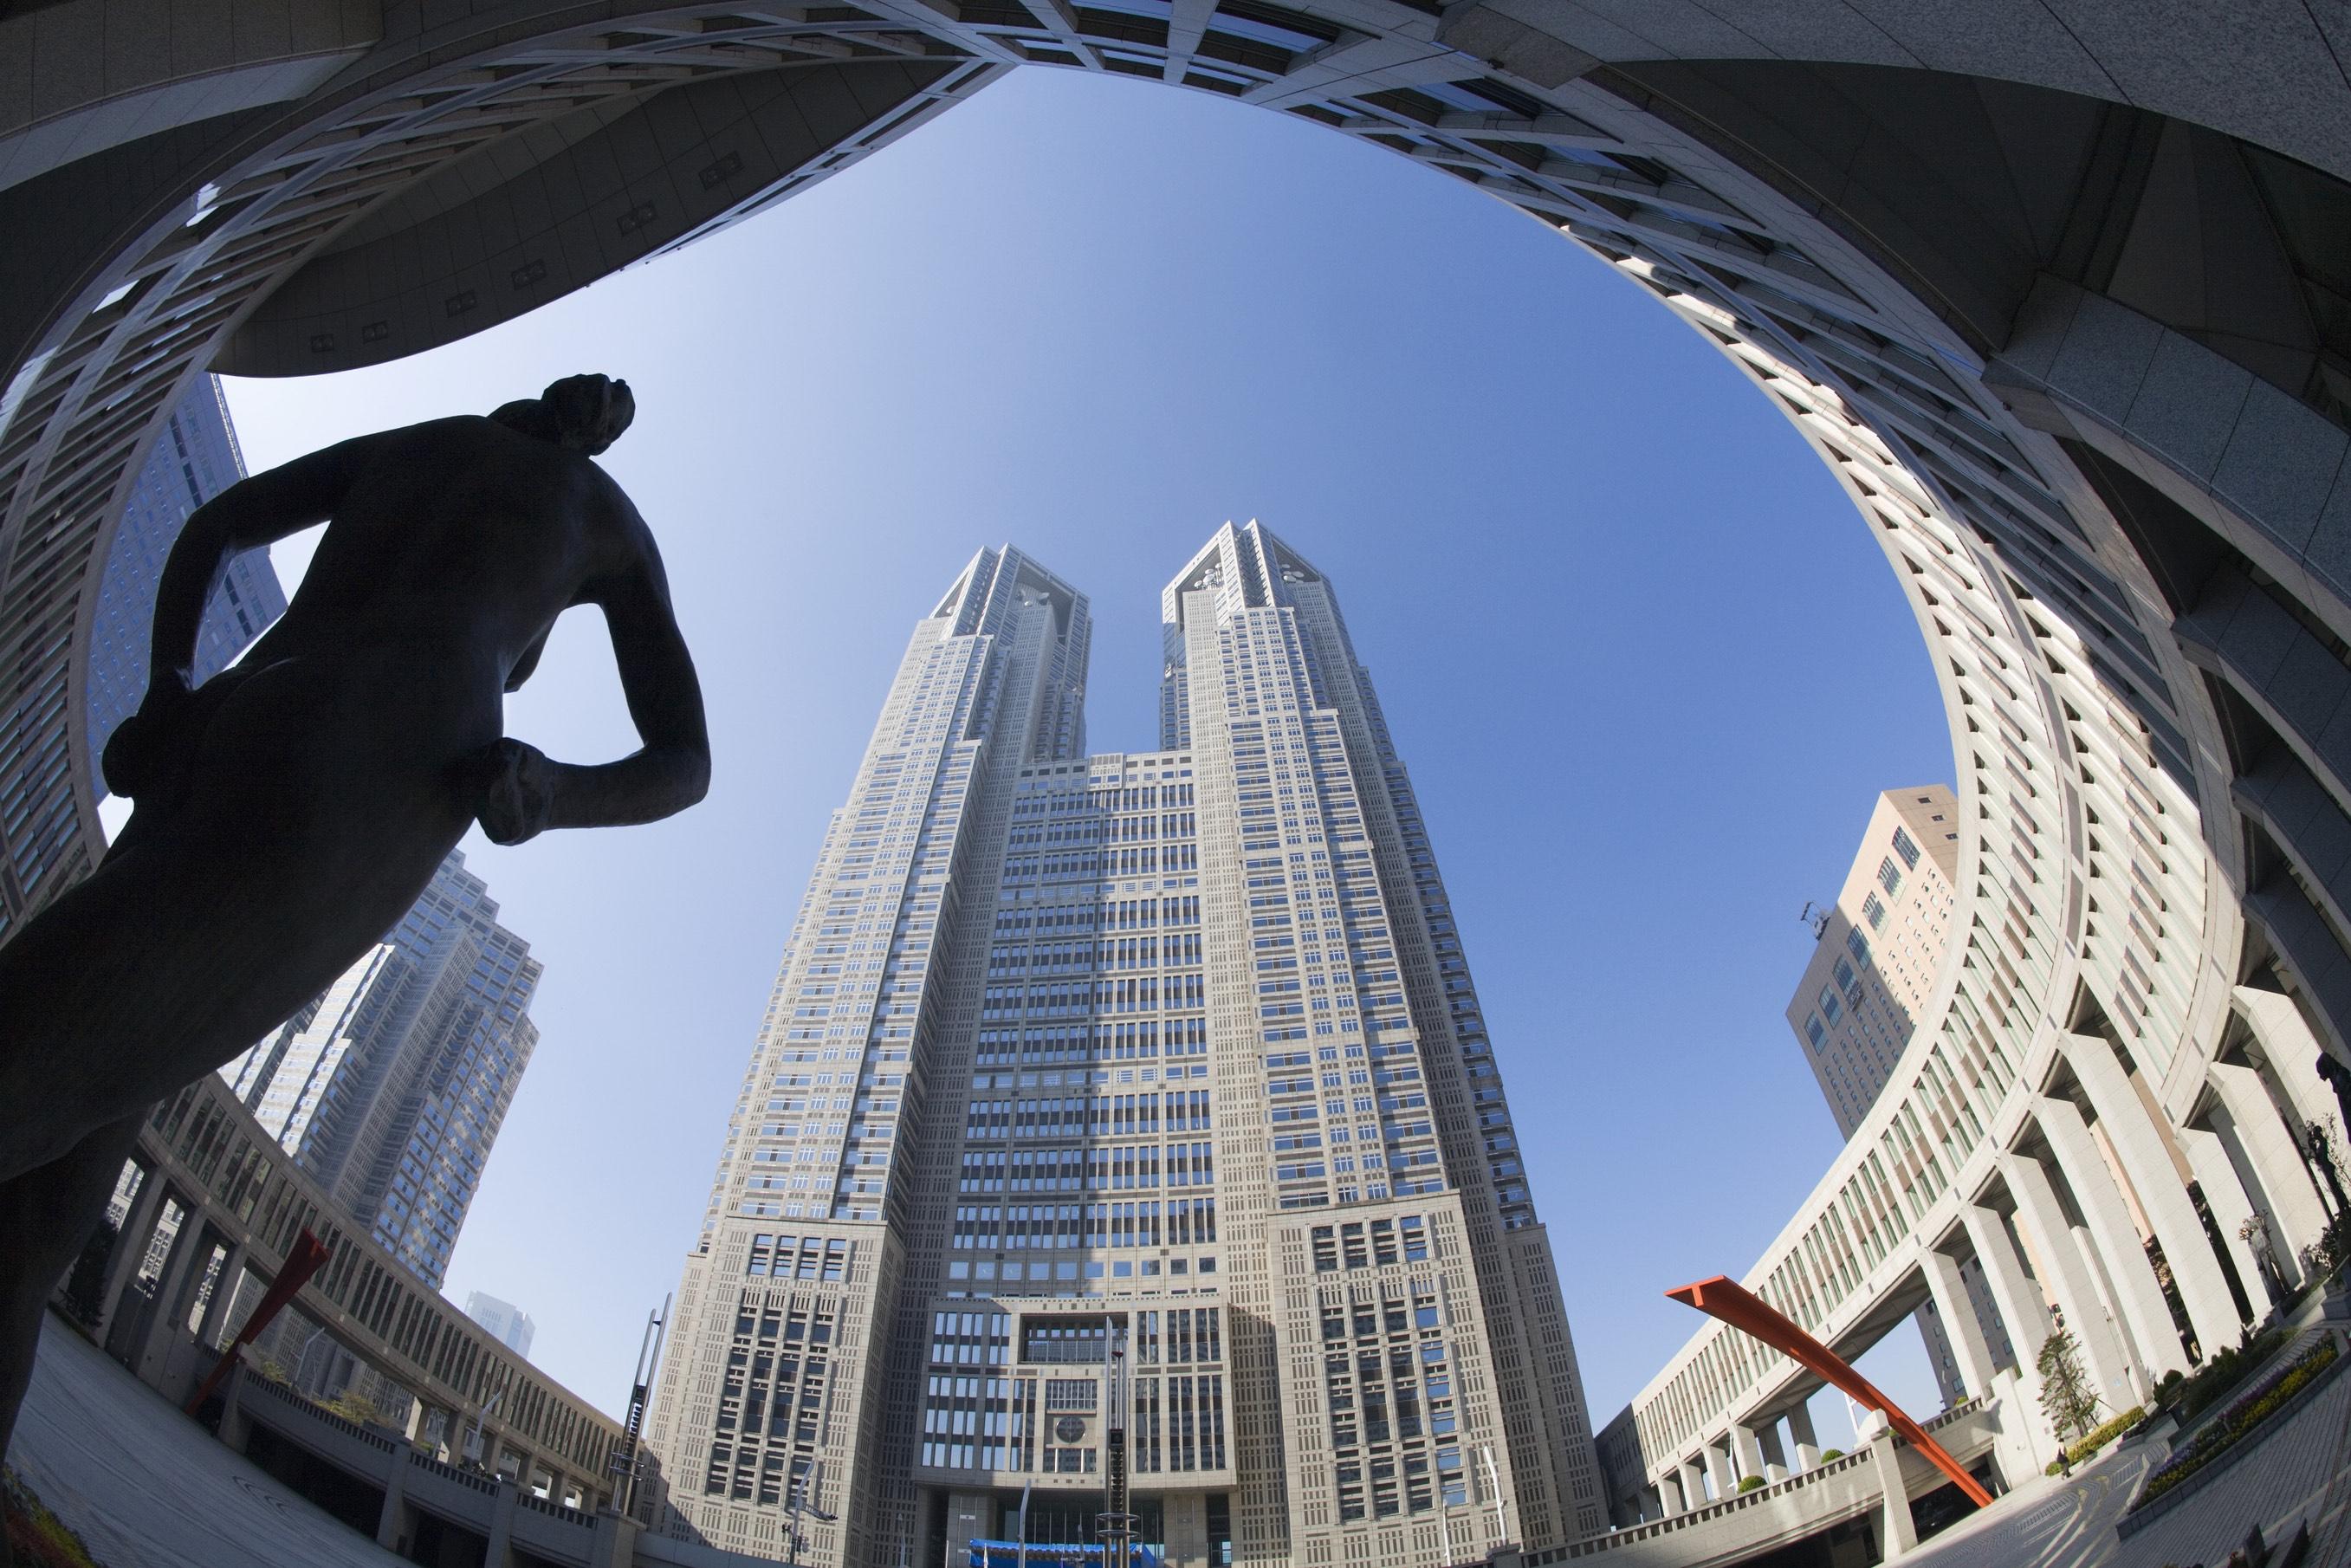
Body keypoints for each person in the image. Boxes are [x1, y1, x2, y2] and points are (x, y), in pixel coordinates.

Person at [0, 374, 709, 1479]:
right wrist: (555, 788)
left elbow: (215, 525)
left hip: (232, 713)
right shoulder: (600, 517)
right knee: (44, 1065)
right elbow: (686, 763)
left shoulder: (427, 441)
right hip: (375, 758)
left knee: (49, 1188)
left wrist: (167, 688)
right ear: (592, 439)